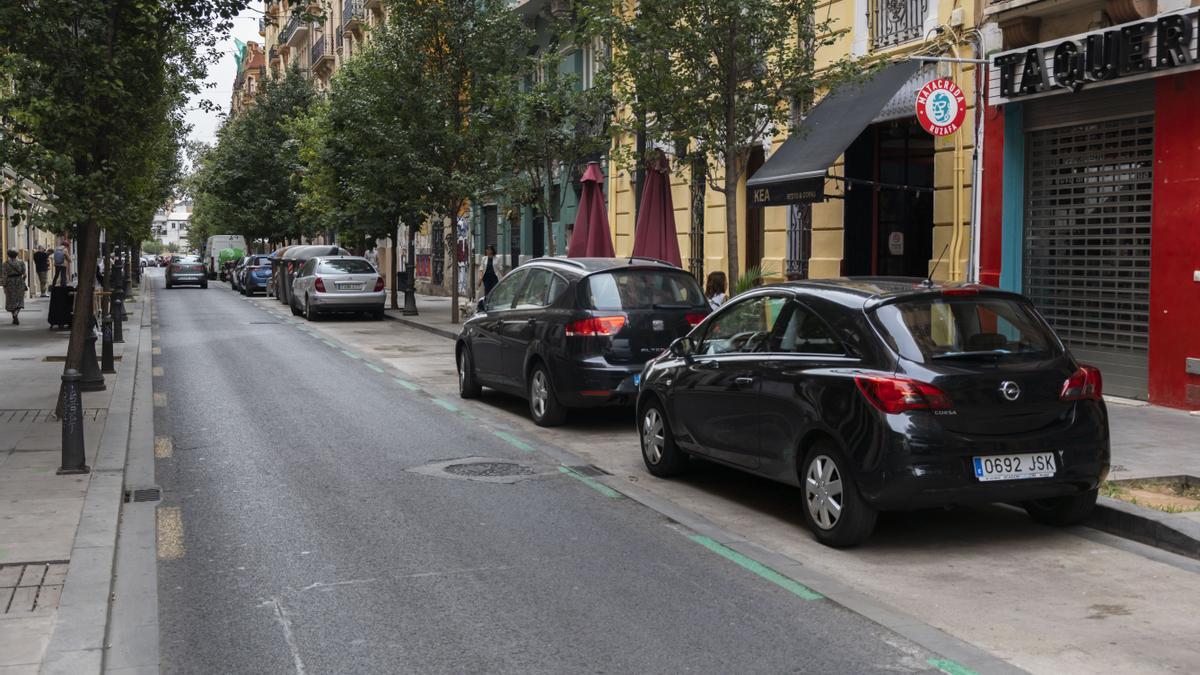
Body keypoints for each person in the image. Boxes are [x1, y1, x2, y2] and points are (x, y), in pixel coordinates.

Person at [4, 250, 27, 325]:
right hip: (19, 281)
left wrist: (4, 285)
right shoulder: (21, 262)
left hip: (10, 282)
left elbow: (4, 275)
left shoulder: (5, 264)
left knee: (11, 300)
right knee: (20, 299)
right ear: (17, 255)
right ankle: (16, 313)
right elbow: (25, 274)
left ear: (8, 255)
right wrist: (23, 281)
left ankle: (14, 316)